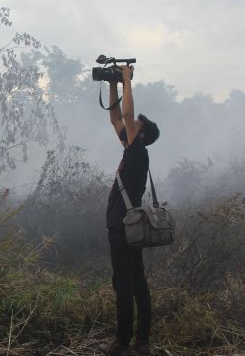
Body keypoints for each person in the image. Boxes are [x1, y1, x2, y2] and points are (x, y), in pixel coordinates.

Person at [100, 65, 160, 356]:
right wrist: (112, 83)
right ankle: (142, 341)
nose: (131, 121)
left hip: (123, 228)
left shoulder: (139, 152)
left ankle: (123, 342)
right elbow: (115, 117)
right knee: (137, 282)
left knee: (125, 285)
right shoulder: (131, 150)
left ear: (142, 133)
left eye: (136, 122)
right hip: (122, 227)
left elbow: (124, 114)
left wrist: (126, 80)